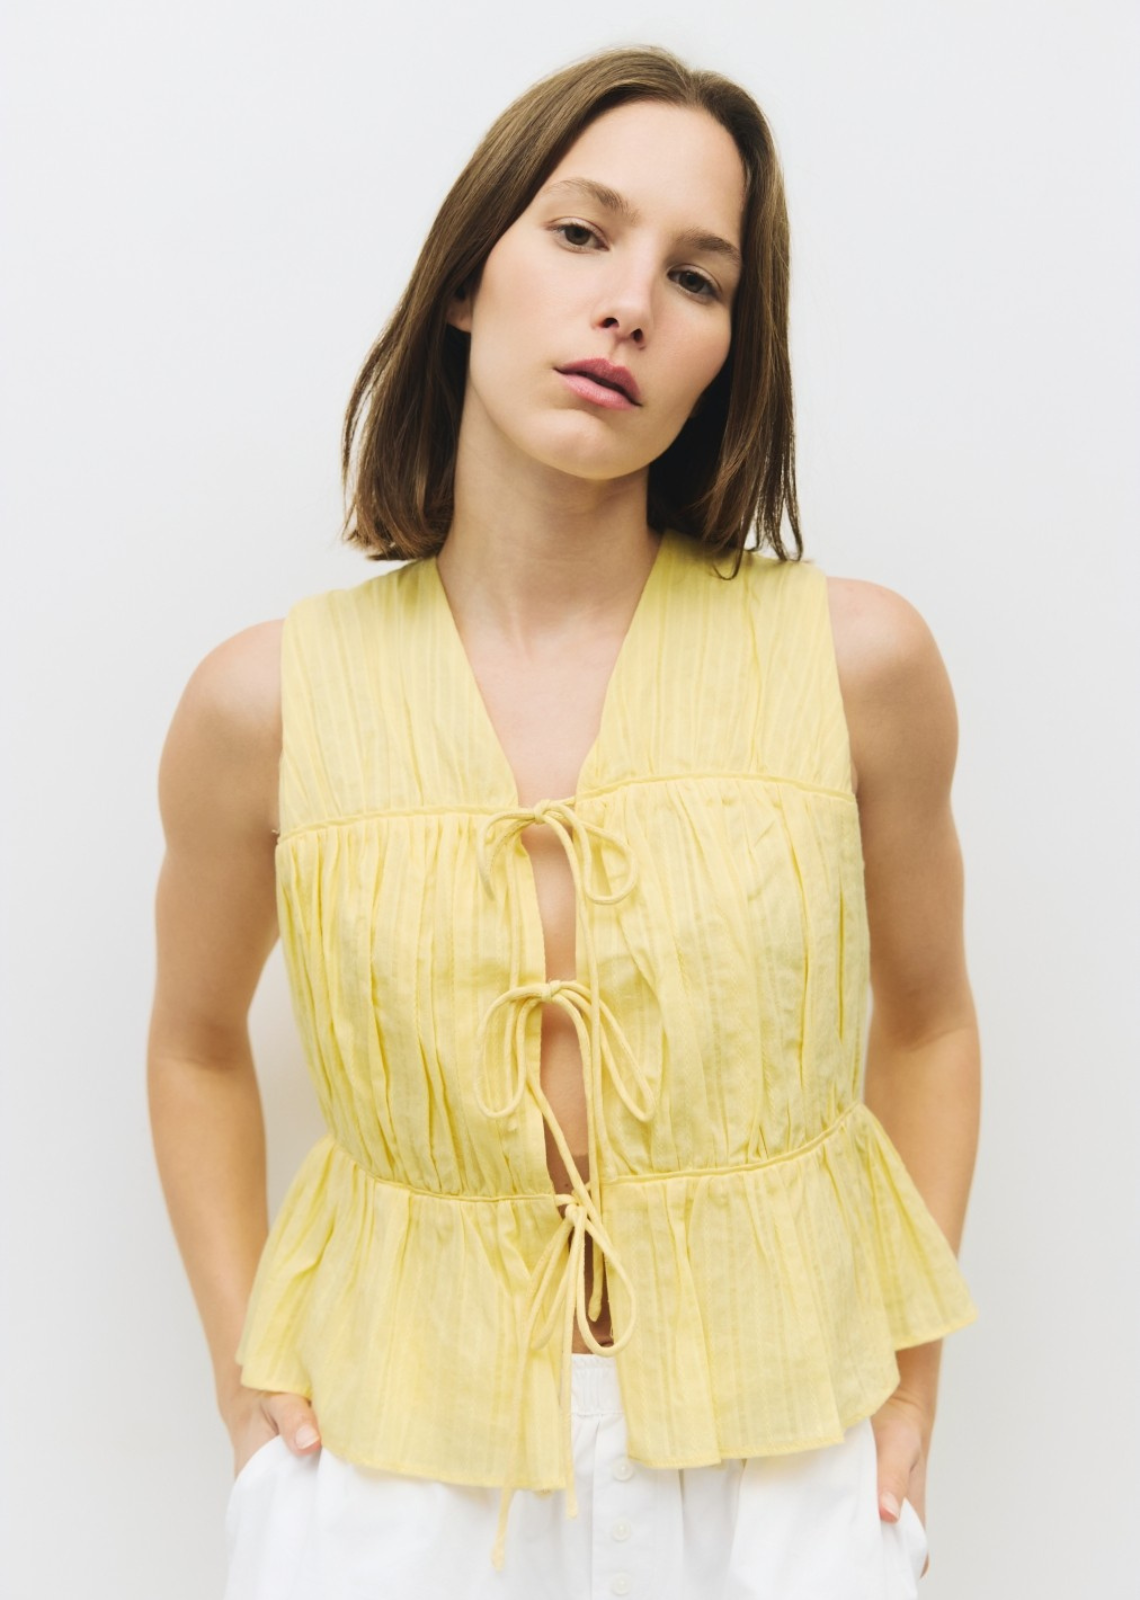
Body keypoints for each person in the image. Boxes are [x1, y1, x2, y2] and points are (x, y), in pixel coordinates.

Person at [148, 43, 980, 1600]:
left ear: (728, 350)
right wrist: (243, 1393)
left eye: (699, 278)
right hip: (392, 1465)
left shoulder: (857, 666)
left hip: (781, 1458)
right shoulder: (264, 704)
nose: (631, 305)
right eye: (584, 233)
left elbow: (928, 1022)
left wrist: (910, 1399)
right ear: (469, 277)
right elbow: (194, 1043)